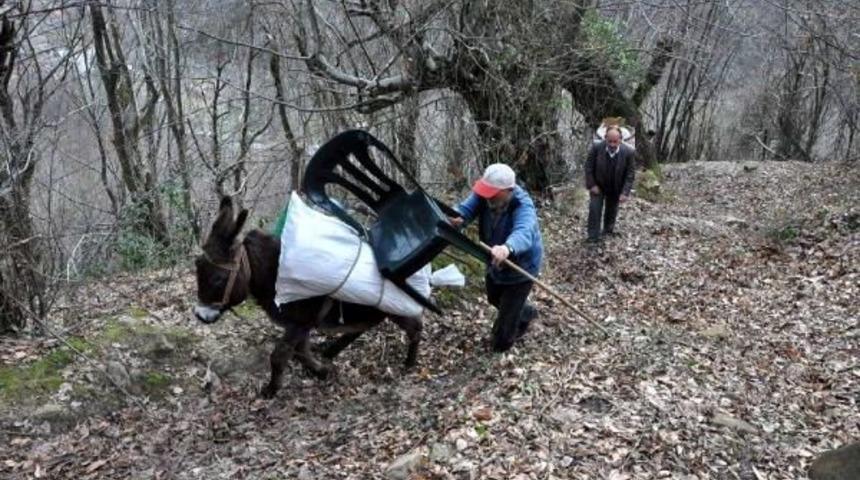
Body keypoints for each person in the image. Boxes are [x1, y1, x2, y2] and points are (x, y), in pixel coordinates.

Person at [448, 163, 543, 352]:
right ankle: (525, 312)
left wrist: (508, 248)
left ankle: (506, 339)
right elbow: (465, 209)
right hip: (495, 262)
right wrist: (456, 216)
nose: (487, 196)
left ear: (508, 190)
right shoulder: (485, 195)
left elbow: (524, 232)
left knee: (502, 338)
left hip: (520, 267)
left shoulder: (523, 205)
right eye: (485, 191)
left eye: (493, 192)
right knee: (493, 297)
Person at [584, 126, 636, 243]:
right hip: (598, 184)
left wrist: (625, 192)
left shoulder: (629, 152)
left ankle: (608, 230)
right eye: (609, 141)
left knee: (612, 209)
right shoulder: (596, 147)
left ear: (620, 139)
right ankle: (593, 237)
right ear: (605, 138)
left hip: (615, 186)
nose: (612, 144)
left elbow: (630, 174)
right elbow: (588, 167)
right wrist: (592, 185)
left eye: (615, 141)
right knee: (594, 209)